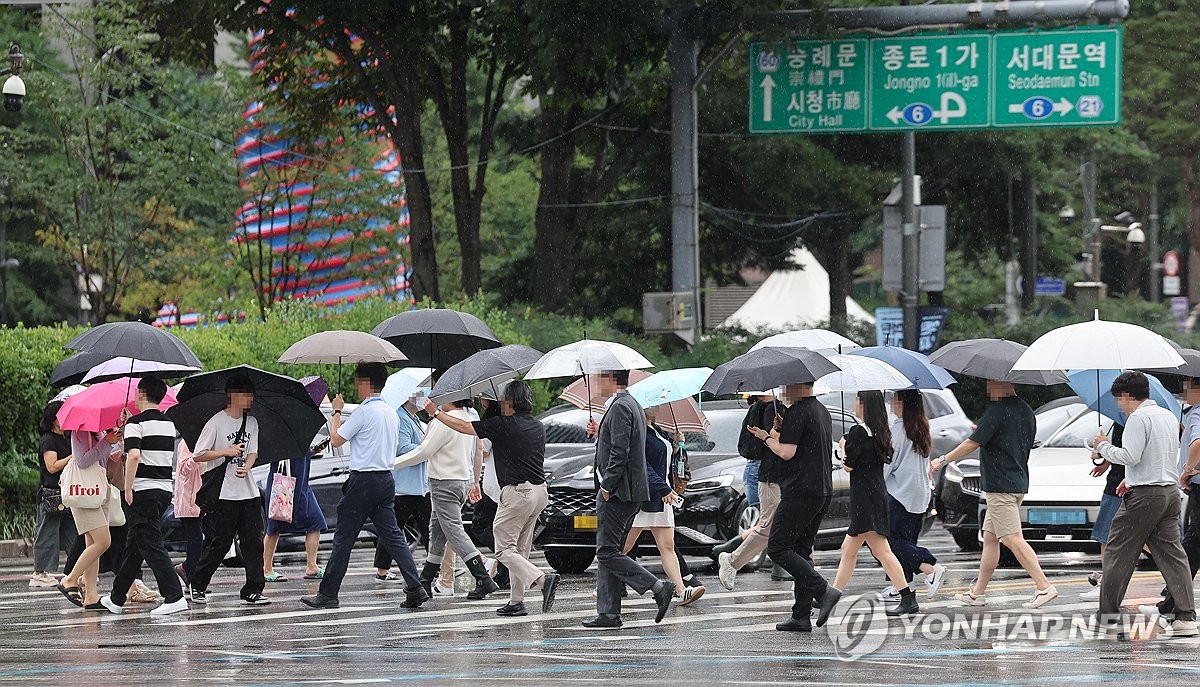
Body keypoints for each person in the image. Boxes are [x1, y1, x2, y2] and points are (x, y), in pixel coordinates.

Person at [423, 381, 561, 617]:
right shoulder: (537, 425)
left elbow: (465, 427)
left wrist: (435, 413)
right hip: (540, 492)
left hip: (518, 493)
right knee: (520, 549)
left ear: (510, 403)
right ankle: (516, 601)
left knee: (504, 550)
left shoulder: (504, 425)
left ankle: (541, 579)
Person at [1080, 371, 1198, 637]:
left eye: (1118, 399)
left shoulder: (1138, 418)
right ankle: (1185, 617)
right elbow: (1159, 455)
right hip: (1168, 493)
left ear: (1126, 395)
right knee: (1173, 556)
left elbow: (1130, 456)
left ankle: (1107, 618)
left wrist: (1104, 447)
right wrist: (1133, 480)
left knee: (1117, 553)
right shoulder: (1169, 416)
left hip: (1144, 497)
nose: (1119, 405)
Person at [302, 363, 428, 610]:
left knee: (344, 537)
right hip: (385, 480)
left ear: (366, 383)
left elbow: (337, 439)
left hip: (363, 481)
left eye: (359, 381)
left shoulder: (363, 411)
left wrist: (336, 412)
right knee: (393, 536)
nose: (357, 387)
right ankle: (415, 587)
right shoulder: (391, 412)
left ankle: (328, 594)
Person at [931, 379, 1058, 609]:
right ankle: (977, 593)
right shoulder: (1026, 411)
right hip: (1017, 481)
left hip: (1000, 487)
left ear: (1002, 383)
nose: (988, 387)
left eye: (991, 383)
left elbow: (972, 443)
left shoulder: (997, 412)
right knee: (990, 538)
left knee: (1011, 538)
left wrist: (943, 459)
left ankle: (1044, 586)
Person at [582, 370, 675, 629]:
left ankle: (657, 587)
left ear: (611, 379)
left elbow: (620, 450)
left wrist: (607, 486)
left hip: (619, 491)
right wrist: (600, 432)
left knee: (607, 551)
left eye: (598, 378)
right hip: (627, 490)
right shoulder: (628, 404)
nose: (595, 384)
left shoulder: (622, 406)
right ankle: (609, 613)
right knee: (610, 550)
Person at [820, 391, 921, 621]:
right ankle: (831, 595)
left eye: (858, 400)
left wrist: (844, 445)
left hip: (864, 500)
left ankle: (907, 598)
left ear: (864, 405)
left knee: (881, 551)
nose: (855, 404)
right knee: (851, 550)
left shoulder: (858, 432)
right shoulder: (881, 432)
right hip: (874, 495)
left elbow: (848, 466)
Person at [745, 382, 833, 632]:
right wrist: (778, 431)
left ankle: (824, 591)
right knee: (802, 550)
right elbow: (800, 443)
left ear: (797, 385)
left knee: (778, 547)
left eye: (786, 386)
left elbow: (786, 452)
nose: (783, 391)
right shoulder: (820, 410)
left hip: (800, 490)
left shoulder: (798, 410)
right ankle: (801, 614)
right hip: (821, 489)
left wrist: (765, 438)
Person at [99, 378, 188, 615]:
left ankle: (174, 596)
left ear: (142, 394)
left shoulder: (136, 424)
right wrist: (130, 425)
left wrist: (128, 488)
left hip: (142, 490)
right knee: (135, 545)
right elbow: (152, 448)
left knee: (150, 544)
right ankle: (117, 598)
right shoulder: (168, 423)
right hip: (162, 490)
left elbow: (135, 456)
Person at [395, 398, 497, 600]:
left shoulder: (445, 420)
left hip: (444, 482)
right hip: (461, 480)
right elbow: (476, 451)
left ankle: (483, 576)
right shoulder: (467, 417)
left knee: (453, 531)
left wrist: (392, 463)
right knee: (438, 531)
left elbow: (424, 451)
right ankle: (425, 579)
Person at [188, 375, 271, 606]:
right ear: (233, 396)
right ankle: (198, 583)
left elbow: (253, 451)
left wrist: (248, 465)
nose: (251, 399)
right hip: (224, 493)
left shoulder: (252, 422)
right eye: (247, 394)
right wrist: (225, 451)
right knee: (221, 543)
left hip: (249, 492)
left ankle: (253, 589)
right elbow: (198, 454)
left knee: (253, 541)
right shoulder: (216, 422)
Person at [621, 410, 704, 606]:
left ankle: (680, 589)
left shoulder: (658, 430)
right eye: (652, 403)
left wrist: (676, 447)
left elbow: (663, 463)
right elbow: (642, 465)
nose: (656, 407)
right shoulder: (639, 431)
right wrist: (663, 488)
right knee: (624, 546)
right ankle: (603, 586)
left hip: (662, 496)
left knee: (667, 546)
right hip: (645, 496)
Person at [881, 390, 947, 601]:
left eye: (894, 399)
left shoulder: (898, 431)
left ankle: (930, 568)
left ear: (901, 403)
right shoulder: (921, 427)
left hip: (901, 493)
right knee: (906, 538)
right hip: (919, 493)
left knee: (890, 543)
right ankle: (901, 584)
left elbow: (888, 464)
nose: (891, 403)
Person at [717, 395, 781, 590]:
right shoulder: (765, 409)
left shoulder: (774, 408)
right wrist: (772, 434)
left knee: (772, 524)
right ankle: (731, 554)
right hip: (763, 470)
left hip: (766, 470)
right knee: (768, 524)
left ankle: (730, 552)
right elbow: (760, 446)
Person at [56, 426, 122, 610]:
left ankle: (91, 595)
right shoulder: (80, 432)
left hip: (98, 489)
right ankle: (70, 579)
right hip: (85, 490)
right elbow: (83, 461)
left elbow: (101, 459)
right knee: (103, 541)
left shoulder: (97, 432)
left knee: (92, 543)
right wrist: (107, 442)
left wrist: (115, 445)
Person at [1152, 377, 1200, 616]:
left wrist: (1188, 470)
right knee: (1193, 545)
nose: (1184, 392)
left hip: (1199, 485)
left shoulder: (1197, 413)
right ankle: (1173, 603)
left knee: (1192, 544)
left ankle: (1172, 605)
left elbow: (1198, 442)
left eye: (1188, 387)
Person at [375, 393, 430, 584]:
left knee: (427, 526)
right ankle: (382, 569)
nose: (425, 399)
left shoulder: (413, 418)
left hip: (418, 484)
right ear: (410, 397)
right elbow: (402, 447)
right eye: (422, 395)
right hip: (404, 486)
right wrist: (426, 446)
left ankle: (436, 566)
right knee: (393, 528)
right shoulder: (401, 416)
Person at [30, 401, 77, 588]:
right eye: (61, 415)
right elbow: (52, 466)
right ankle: (39, 572)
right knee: (47, 533)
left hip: (66, 493)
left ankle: (75, 570)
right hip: (50, 494)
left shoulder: (66, 437)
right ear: (52, 420)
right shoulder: (48, 439)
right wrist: (72, 458)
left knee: (72, 533)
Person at [263, 450, 328, 582]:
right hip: (283, 486)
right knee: (274, 527)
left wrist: (312, 451)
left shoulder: (300, 439)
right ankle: (266, 569)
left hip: (302, 486)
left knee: (316, 521)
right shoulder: (282, 439)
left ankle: (312, 566)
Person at [1081, 423, 1126, 601]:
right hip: (1125, 482)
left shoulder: (1130, 420)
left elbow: (1127, 454)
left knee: (1106, 537)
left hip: (1119, 486)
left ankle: (1106, 587)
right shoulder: (1123, 420)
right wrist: (1104, 461)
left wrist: (1102, 447)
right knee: (1150, 540)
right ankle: (1177, 577)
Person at [172, 441, 203, 593]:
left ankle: (190, 573)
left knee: (210, 538)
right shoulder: (186, 443)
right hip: (189, 498)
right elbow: (184, 468)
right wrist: (199, 456)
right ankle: (190, 574)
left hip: (204, 497)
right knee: (195, 540)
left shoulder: (206, 440)